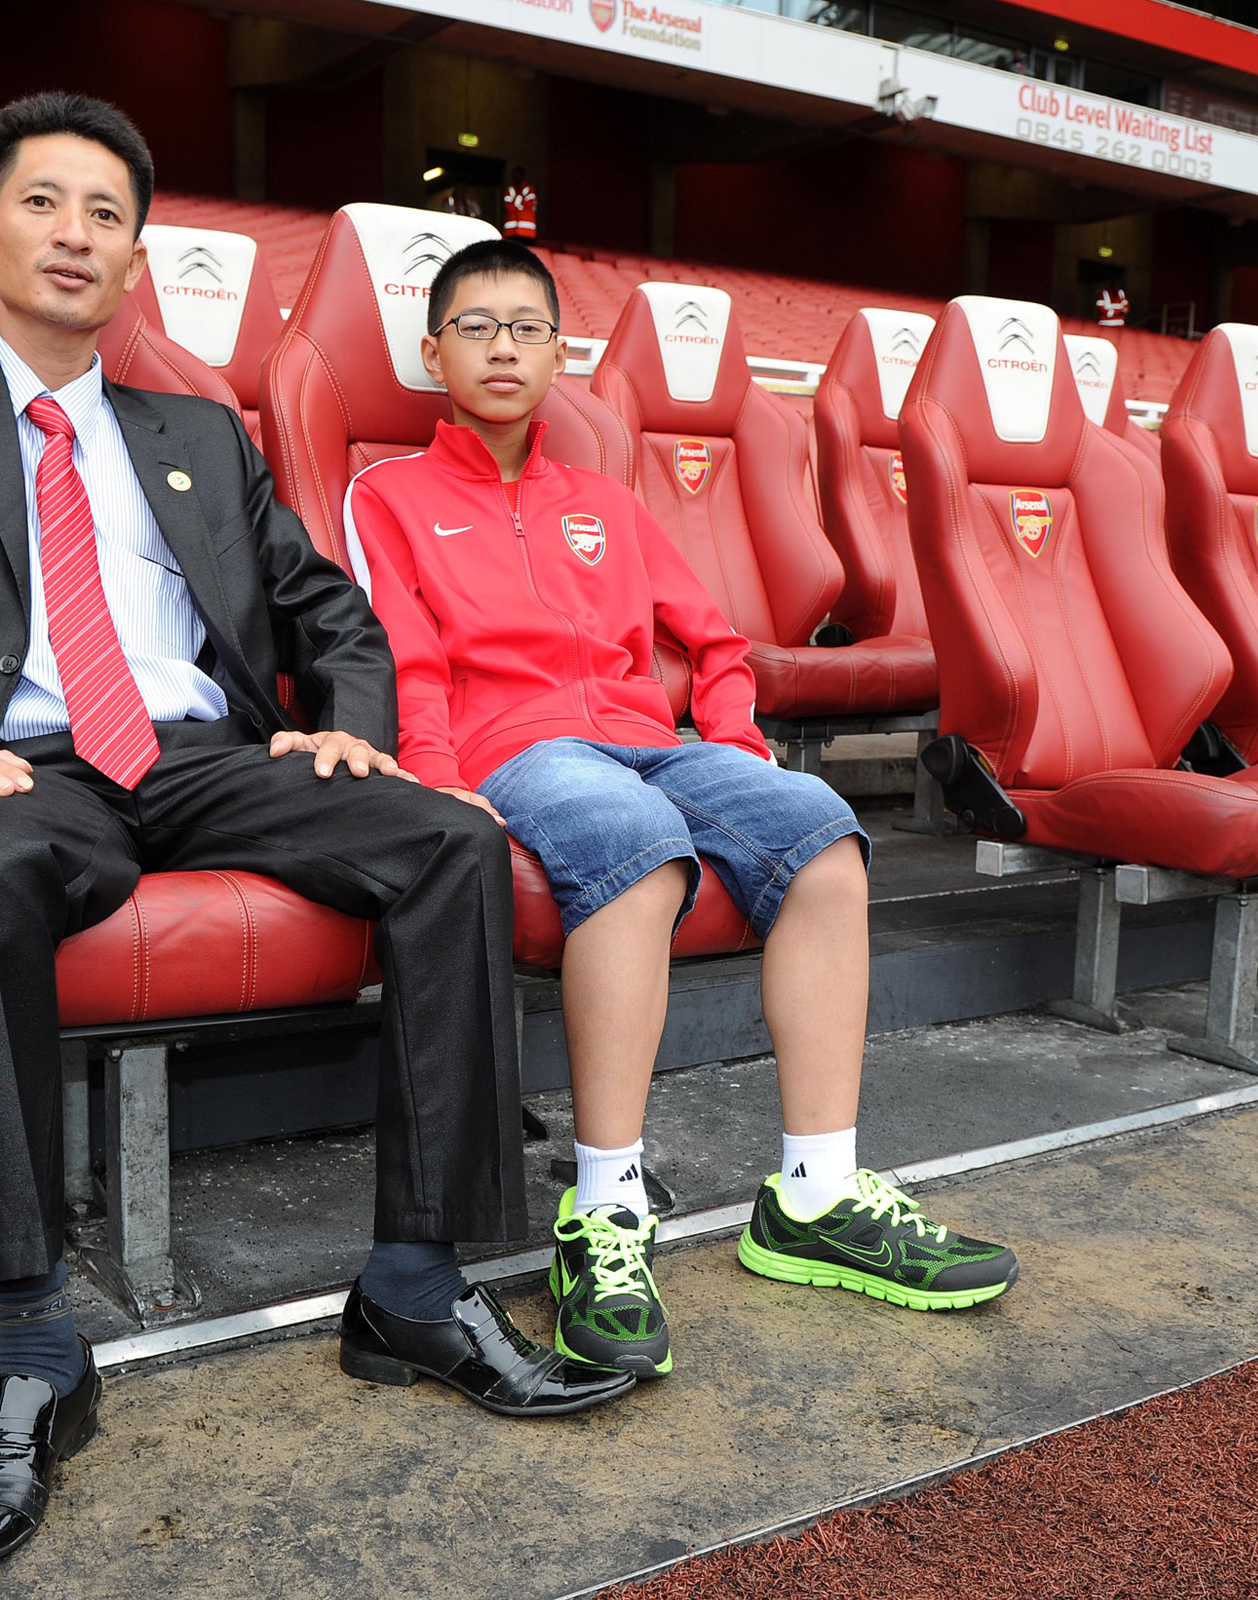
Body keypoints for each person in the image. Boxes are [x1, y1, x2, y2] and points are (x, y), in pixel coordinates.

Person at [0, 97, 632, 1573]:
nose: (75, 235)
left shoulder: (198, 435)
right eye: (44, 205)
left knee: (449, 840)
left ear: (136, 256)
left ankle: (415, 1284)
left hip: (203, 753)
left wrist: (347, 714)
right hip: (23, 765)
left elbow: (325, 610)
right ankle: (36, 1347)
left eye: (105, 215)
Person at [344, 239, 1019, 1384]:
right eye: (475, 327)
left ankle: (814, 1192)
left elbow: (713, 639)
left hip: (653, 742)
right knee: (634, 848)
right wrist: (437, 770)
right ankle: (603, 1218)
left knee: (817, 830)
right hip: (524, 752)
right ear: (433, 351)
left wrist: (738, 738)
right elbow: (403, 654)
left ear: (562, 353)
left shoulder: (604, 499)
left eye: (527, 328)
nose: (503, 348)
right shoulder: (389, 494)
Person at [502, 166, 538, 240]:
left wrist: (516, 204)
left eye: (517, 175)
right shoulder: (510, 190)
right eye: (514, 176)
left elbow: (529, 204)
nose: (515, 178)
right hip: (510, 231)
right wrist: (521, 205)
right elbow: (509, 207)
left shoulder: (529, 190)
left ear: (522, 176)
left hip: (527, 232)